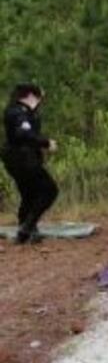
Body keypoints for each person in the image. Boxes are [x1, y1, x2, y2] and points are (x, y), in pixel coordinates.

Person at [2, 83, 58, 244]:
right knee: (49, 190)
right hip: (22, 159)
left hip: (16, 158)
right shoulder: (18, 112)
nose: (41, 101)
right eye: (39, 97)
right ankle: (27, 227)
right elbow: (23, 133)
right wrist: (45, 143)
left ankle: (25, 231)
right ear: (30, 96)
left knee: (29, 194)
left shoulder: (22, 111)